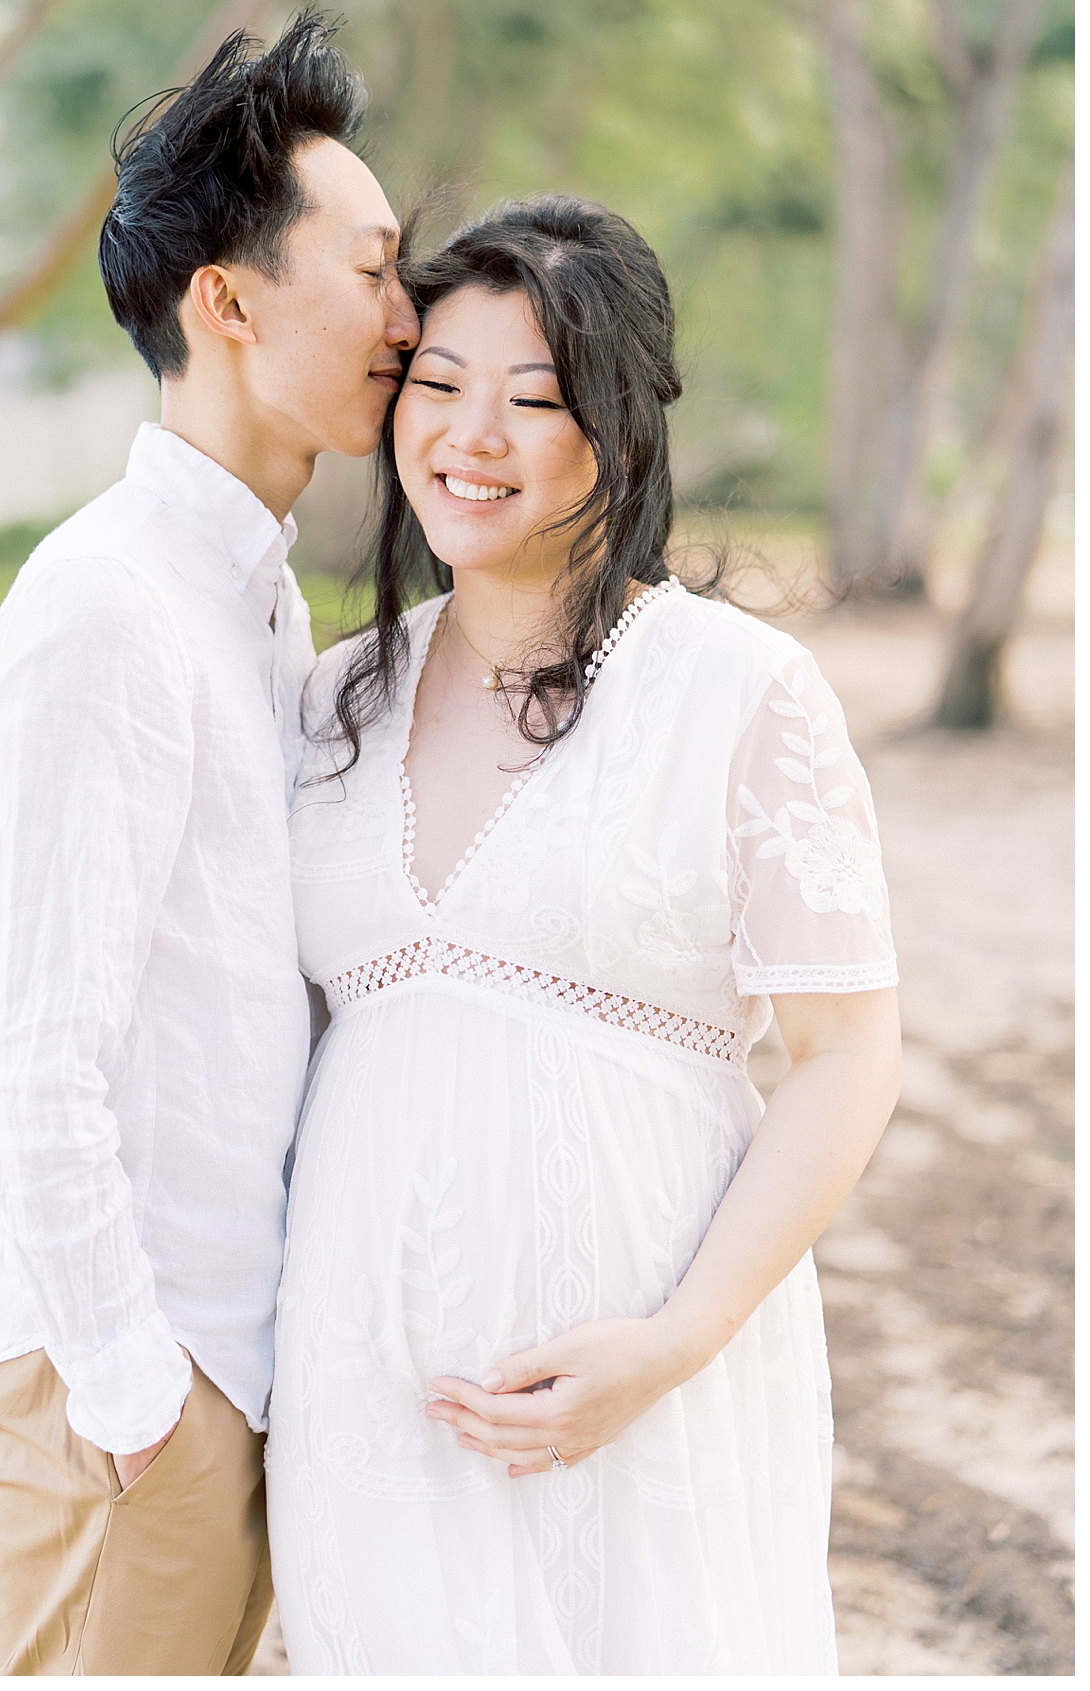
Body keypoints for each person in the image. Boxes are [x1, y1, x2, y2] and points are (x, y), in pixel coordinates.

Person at [266, 195, 902, 1674]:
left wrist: (671, 1342)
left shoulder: (739, 693)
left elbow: (844, 1054)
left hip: (643, 1393)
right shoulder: (326, 699)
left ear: (613, 435)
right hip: (366, 1393)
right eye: (437, 387)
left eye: (532, 402)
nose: (468, 438)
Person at [0, 12, 418, 1675]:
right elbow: (37, 1050)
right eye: (368, 272)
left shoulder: (254, 595)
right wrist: (141, 1400)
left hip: (224, 1369)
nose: (403, 318)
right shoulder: (105, 605)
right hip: (124, 1388)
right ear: (224, 303)